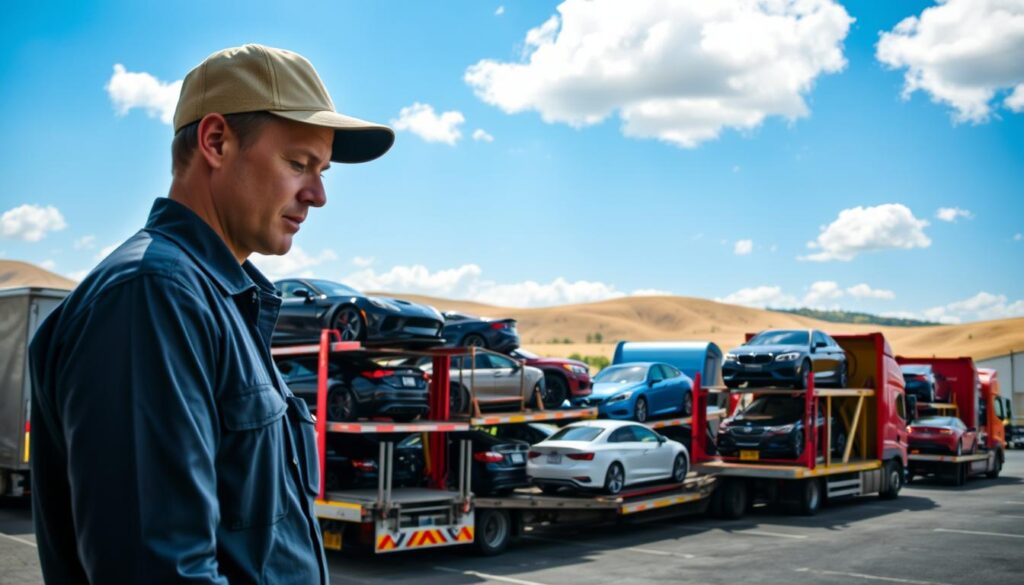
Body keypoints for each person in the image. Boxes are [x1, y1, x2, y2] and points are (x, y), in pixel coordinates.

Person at [28, 44, 394, 584]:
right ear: (216, 141)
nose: (317, 195)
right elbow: (159, 571)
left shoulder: (217, 299)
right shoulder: (154, 296)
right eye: (298, 164)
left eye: (322, 172)